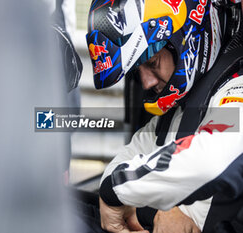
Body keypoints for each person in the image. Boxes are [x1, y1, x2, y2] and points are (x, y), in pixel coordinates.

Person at [86, 0, 243, 232]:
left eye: (152, 62)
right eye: (138, 72)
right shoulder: (182, 105)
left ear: (185, 37)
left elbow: (210, 159)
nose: (147, 82)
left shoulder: (236, 86)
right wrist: (116, 189)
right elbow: (128, 155)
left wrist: (116, 190)